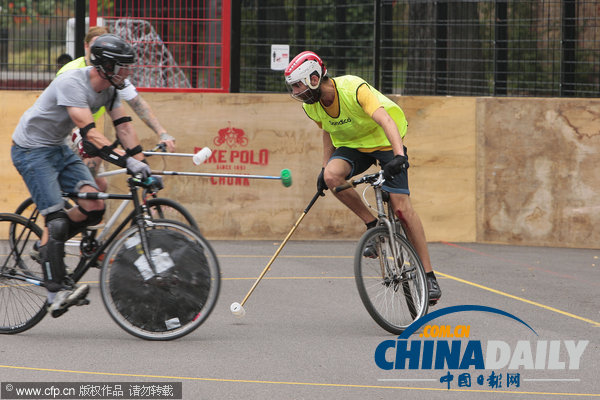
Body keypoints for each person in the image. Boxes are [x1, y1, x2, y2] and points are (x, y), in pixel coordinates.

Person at [11, 34, 161, 318]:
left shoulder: (112, 89)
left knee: (94, 206)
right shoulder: (72, 83)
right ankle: (56, 292)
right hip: (31, 150)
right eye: (123, 68)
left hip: (58, 147)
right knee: (55, 221)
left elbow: (124, 127)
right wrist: (126, 161)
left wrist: (142, 165)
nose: (128, 74)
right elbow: (90, 134)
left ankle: (47, 249)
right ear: (105, 66)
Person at [284, 51, 442, 305]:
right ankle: (373, 226)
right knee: (333, 177)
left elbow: (386, 120)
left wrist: (399, 156)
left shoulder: (353, 88)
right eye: (294, 87)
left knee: (401, 208)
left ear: (314, 78)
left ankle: (429, 274)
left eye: (298, 85)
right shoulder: (310, 107)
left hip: (384, 141)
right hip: (353, 145)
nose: (296, 92)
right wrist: (325, 168)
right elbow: (327, 130)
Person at [58, 25, 175, 192]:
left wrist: (161, 132)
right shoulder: (72, 72)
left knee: (101, 185)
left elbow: (136, 103)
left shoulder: (112, 75)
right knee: (88, 188)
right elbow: (65, 111)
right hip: (66, 130)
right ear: (86, 46)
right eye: (95, 45)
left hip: (85, 128)